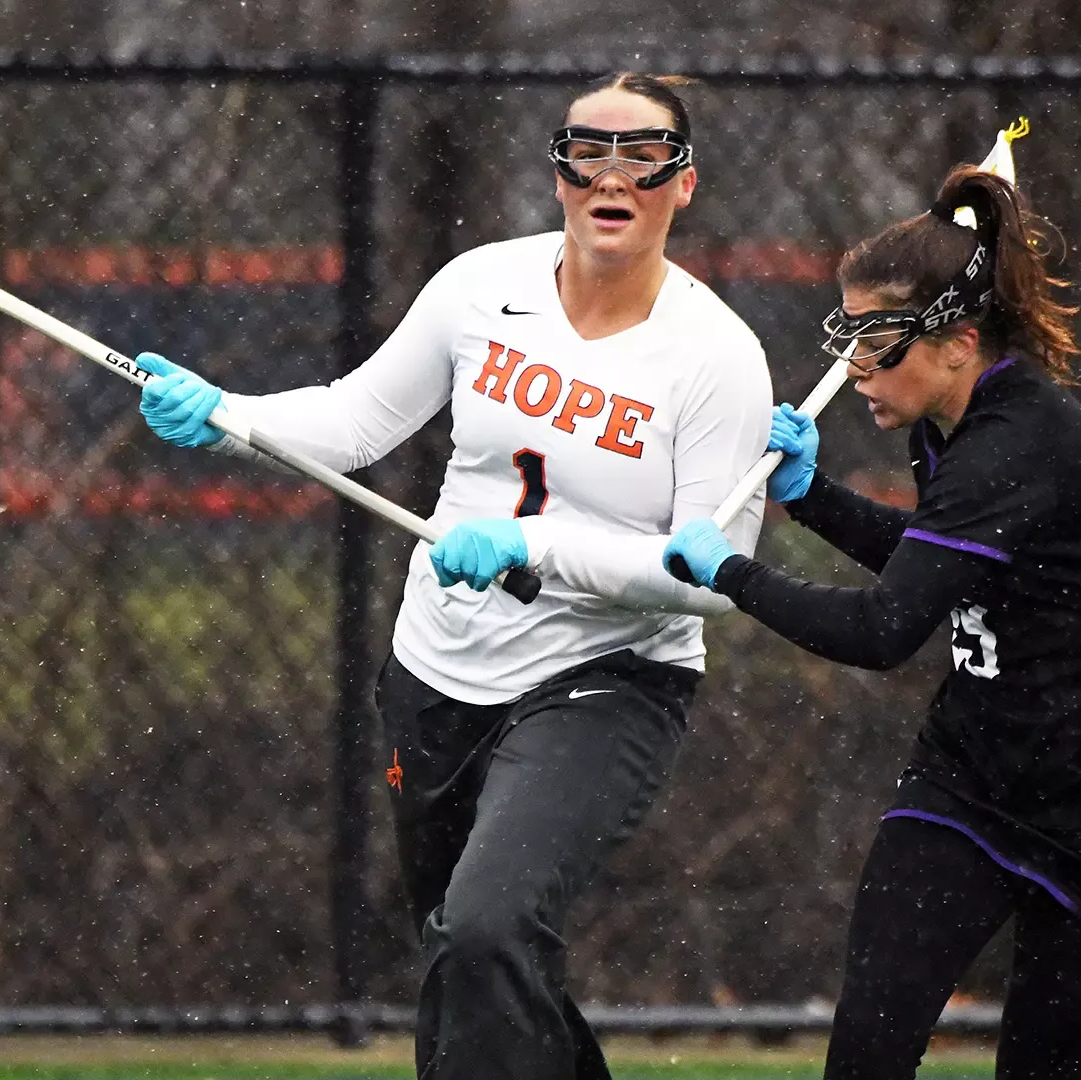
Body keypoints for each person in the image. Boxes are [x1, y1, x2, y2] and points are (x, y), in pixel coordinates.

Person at [134, 74, 772, 1080]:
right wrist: (227, 413)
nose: (613, 175)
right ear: (558, 170)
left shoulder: (715, 359)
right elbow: (352, 424)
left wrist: (535, 549)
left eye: (644, 155)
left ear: (682, 184)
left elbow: (710, 579)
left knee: (485, 928)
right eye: (587, 150)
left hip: (603, 680)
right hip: (437, 671)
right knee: (471, 952)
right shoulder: (480, 289)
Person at [663, 164, 1081, 1079]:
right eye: (848, 337)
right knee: (868, 1051)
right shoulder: (951, 423)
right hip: (973, 770)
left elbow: (885, 632)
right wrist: (814, 500)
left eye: (878, 342)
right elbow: (942, 566)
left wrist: (732, 574)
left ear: (959, 342)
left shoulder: (1016, 445)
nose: (853, 369)